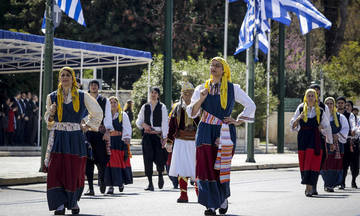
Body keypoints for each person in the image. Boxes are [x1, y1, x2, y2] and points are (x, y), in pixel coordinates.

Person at [186, 57, 256, 216]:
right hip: (205, 131)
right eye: (212, 65)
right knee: (205, 167)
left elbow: (251, 105)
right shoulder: (201, 88)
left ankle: (222, 198)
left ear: (224, 70)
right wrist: (202, 97)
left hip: (224, 131)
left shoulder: (233, 88)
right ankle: (210, 205)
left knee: (220, 167)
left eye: (217, 66)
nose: (214, 68)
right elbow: (192, 112)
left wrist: (238, 121)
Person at [44, 66, 103, 215]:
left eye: (67, 75)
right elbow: (48, 121)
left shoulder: (82, 95)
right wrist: (51, 113)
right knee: (56, 170)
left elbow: (97, 112)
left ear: (73, 78)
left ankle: (73, 201)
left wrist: (86, 124)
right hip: (58, 137)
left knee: (74, 170)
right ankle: (59, 204)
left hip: (75, 137)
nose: (64, 78)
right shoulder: (52, 96)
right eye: (62, 75)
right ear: (59, 78)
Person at [290, 89, 333, 197]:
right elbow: (293, 126)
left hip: (315, 139)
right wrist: (299, 118)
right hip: (303, 139)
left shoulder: (321, 111)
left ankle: (310, 188)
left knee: (313, 162)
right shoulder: (300, 108)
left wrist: (330, 141)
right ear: (305, 97)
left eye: (312, 96)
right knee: (304, 163)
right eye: (308, 95)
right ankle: (307, 187)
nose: (310, 97)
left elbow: (327, 126)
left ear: (315, 98)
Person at [167, 81, 200, 203]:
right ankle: (183, 195)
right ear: (182, 94)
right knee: (182, 168)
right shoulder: (176, 108)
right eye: (185, 93)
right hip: (180, 141)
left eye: (190, 93)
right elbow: (171, 126)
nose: (188, 96)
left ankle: (199, 193)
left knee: (197, 168)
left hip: (195, 141)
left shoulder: (199, 107)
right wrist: (169, 141)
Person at [136, 87, 169, 191]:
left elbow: (165, 123)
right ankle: (150, 182)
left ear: (158, 95)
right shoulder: (145, 106)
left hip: (157, 136)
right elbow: (138, 121)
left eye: (155, 93)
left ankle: (160, 175)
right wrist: (143, 124)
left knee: (159, 158)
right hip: (147, 136)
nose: (153, 94)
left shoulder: (162, 107)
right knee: (147, 159)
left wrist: (165, 137)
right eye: (152, 92)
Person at [84, 80, 114, 196]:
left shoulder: (104, 100)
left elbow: (107, 116)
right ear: (89, 87)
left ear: (98, 87)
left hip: (100, 132)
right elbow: (82, 114)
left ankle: (101, 180)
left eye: (95, 85)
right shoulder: (84, 98)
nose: (93, 87)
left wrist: (107, 131)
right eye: (91, 85)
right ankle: (90, 188)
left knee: (101, 160)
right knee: (88, 161)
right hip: (87, 132)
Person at [104, 96, 133, 194]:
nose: (113, 104)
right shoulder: (106, 116)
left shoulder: (122, 115)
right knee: (109, 163)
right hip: (109, 142)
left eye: (114, 102)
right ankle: (110, 186)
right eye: (110, 102)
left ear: (118, 104)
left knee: (119, 163)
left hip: (119, 143)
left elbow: (127, 128)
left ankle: (120, 183)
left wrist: (126, 140)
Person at [320, 97, 349, 192]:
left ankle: (331, 184)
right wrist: (327, 135)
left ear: (334, 105)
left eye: (331, 103)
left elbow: (345, 129)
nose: (329, 105)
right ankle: (327, 184)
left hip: (337, 145)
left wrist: (337, 135)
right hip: (325, 145)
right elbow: (319, 128)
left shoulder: (341, 117)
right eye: (327, 103)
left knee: (335, 165)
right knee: (325, 165)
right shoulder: (321, 116)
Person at [336, 97, 358, 189]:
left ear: (345, 104)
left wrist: (353, 130)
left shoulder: (350, 115)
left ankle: (345, 182)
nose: (340, 104)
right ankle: (336, 181)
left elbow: (353, 125)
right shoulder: (333, 114)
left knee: (346, 163)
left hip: (347, 142)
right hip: (335, 141)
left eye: (342, 103)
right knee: (337, 163)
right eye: (339, 103)